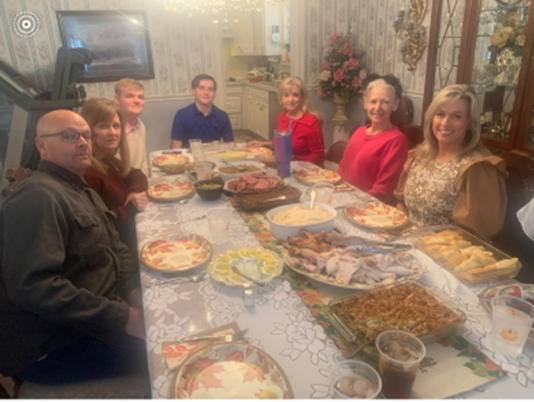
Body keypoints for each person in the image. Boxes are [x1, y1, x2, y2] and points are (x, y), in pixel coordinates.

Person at [0, 110, 146, 384]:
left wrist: (134, 289)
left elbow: (117, 247)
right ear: (42, 146)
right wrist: (122, 317)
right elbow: (34, 287)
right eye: (68, 136)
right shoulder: (36, 197)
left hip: (91, 316)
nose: (82, 142)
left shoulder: (82, 190)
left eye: (86, 136)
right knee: (172, 348)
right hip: (53, 343)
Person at [395, 84, 508, 240]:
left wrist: (422, 245)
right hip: (408, 243)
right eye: (440, 114)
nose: (445, 123)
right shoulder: (419, 156)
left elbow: (472, 236)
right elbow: (401, 204)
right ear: (431, 117)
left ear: (469, 123)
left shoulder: (476, 169)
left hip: (446, 255)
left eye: (457, 116)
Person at [81, 98, 148, 263]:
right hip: (116, 252)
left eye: (116, 126)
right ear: (89, 130)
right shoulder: (88, 172)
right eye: (103, 126)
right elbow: (96, 230)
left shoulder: (107, 158)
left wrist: (132, 192)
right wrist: (129, 208)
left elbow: (136, 174)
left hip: (127, 235)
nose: (112, 132)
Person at [338, 74, 408, 205]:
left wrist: (352, 203)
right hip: (346, 201)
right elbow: (343, 168)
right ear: (365, 103)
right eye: (373, 101)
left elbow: (384, 190)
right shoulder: (359, 132)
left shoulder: (396, 140)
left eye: (385, 102)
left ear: (395, 105)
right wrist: (340, 193)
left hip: (370, 209)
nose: (377, 108)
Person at [248, 76, 325, 167]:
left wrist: (301, 169)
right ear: (281, 98)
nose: (290, 100)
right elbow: (281, 142)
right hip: (285, 167)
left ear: (302, 98)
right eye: (286, 95)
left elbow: (318, 154)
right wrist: (262, 144)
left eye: (295, 95)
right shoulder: (282, 117)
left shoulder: (311, 122)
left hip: (306, 172)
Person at [171, 74, 234, 149]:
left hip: (213, 156)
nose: (206, 92)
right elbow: (176, 148)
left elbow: (230, 145)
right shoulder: (181, 115)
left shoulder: (222, 116)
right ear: (193, 91)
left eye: (210, 89)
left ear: (214, 93)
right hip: (188, 157)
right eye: (201, 88)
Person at [114, 78, 149, 176]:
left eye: (140, 97)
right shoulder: (113, 131)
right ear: (117, 99)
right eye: (130, 96)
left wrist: (145, 181)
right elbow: (113, 172)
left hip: (138, 184)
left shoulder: (140, 125)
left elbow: (143, 159)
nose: (137, 101)